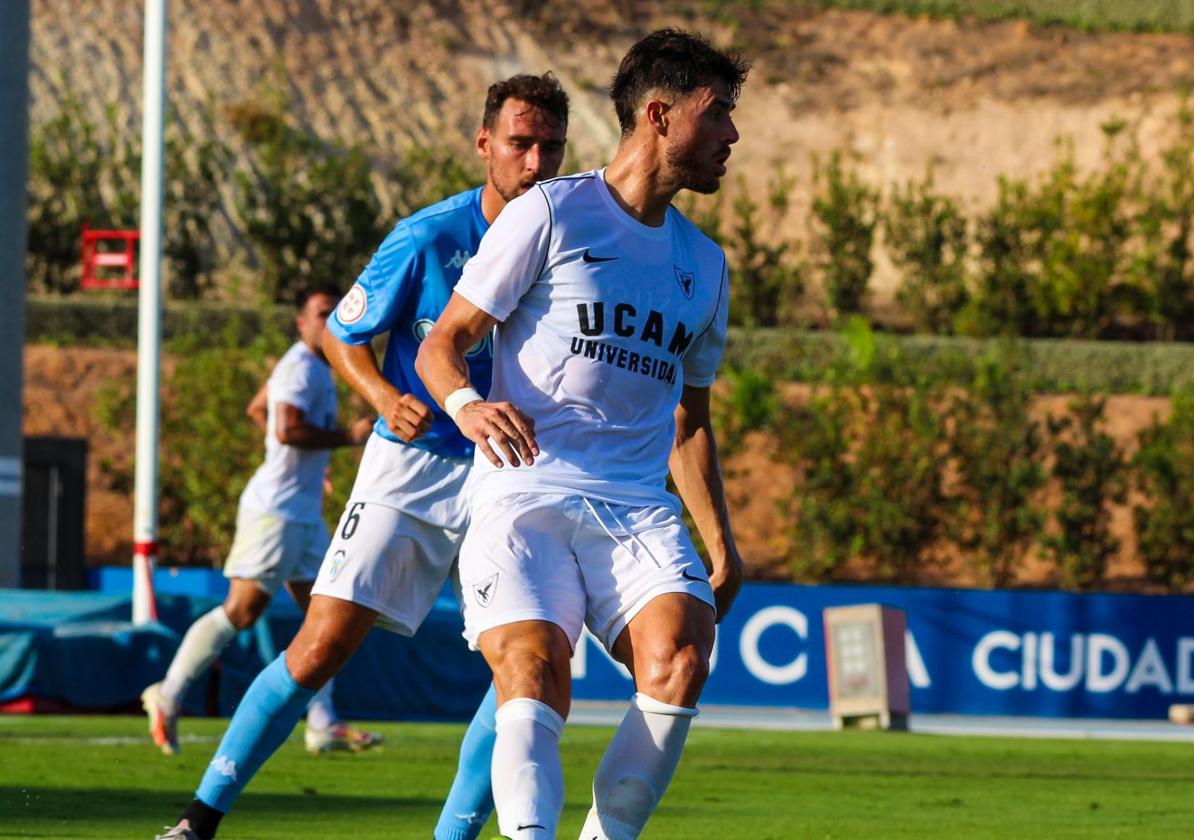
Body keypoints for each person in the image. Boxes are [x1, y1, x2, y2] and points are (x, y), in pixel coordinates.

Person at [153, 72, 570, 840]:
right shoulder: (427, 237)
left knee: (532, 666)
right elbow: (346, 333)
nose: (537, 162)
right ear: (485, 145)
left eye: (551, 145)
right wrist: (381, 396)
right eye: (520, 143)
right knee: (318, 649)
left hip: (513, 472)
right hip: (412, 468)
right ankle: (198, 819)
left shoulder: (572, 242)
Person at [415, 28, 749, 840]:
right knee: (534, 670)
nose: (733, 137)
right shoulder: (550, 213)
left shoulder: (704, 267)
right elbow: (443, 342)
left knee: (681, 659)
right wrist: (468, 406)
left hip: (633, 504)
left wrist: (723, 542)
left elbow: (689, 421)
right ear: (660, 115)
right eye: (719, 116)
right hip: (523, 490)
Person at [141, 285, 378, 757]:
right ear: (302, 322)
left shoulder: (316, 365)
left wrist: (308, 467)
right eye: (321, 313)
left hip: (302, 512)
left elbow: (258, 410)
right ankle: (166, 693)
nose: (330, 320)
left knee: (326, 616)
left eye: (336, 313)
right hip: (276, 513)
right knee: (242, 612)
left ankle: (322, 723)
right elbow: (286, 428)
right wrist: (346, 438)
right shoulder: (299, 366)